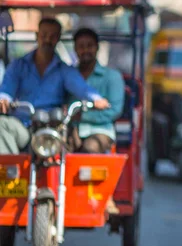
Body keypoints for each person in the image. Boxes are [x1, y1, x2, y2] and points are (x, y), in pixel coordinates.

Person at [0, 18, 110, 154]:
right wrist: (4, 99)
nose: (47, 40)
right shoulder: (18, 65)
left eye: (52, 36)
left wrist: (96, 99)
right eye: (44, 35)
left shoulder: (63, 69)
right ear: (37, 36)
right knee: (2, 124)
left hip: (52, 127)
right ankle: (10, 172)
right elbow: (6, 90)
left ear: (58, 39)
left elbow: (82, 88)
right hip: (23, 125)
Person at [69, 28, 125, 153]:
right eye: (81, 46)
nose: (85, 50)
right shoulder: (69, 75)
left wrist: (83, 116)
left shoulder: (112, 77)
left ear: (97, 47)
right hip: (72, 129)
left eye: (89, 46)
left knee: (91, 147)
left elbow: (114, 110)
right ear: (75, 49)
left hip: (100, 130)